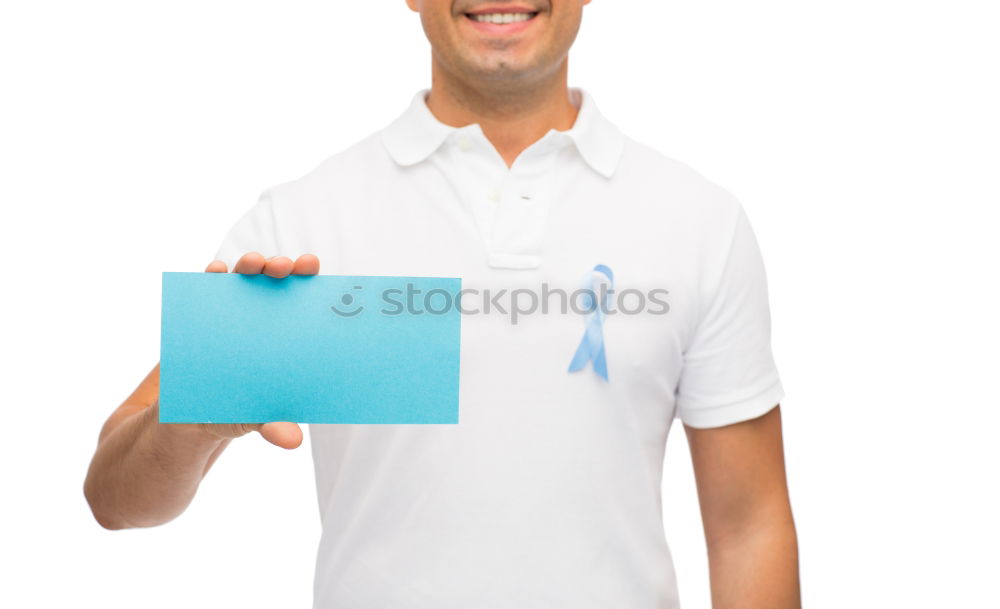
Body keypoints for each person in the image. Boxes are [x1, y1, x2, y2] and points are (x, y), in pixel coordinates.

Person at [84, 1, 800, 607]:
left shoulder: (698, 220)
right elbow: (114, 498)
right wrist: (199, 416)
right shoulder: (304, 222)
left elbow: (750, 524)